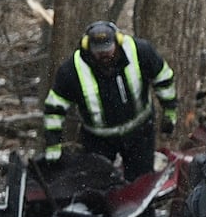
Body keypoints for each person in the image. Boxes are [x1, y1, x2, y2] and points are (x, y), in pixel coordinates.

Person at [42, 20, 178, 180]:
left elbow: (164, 80)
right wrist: (53, 147)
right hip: (98, 139)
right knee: (97, 183)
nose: (104, 55)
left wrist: (170, 112)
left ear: (118, 41)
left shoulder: (141, 51)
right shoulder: (72, 70)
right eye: (98, 51)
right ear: (87, 46)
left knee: (140, 182)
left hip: (139, 132)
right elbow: (54, 109)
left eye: (108, 49)